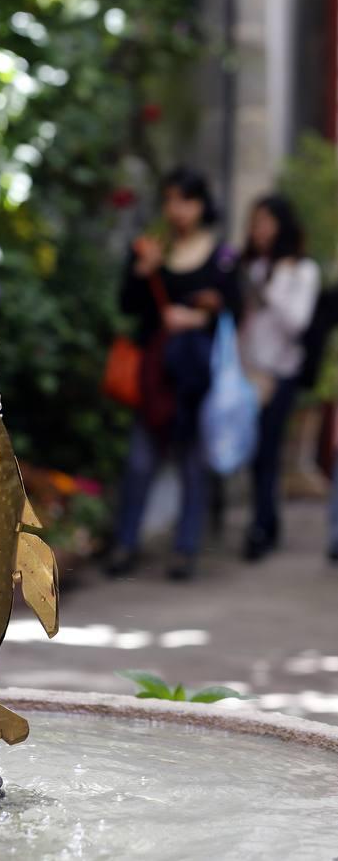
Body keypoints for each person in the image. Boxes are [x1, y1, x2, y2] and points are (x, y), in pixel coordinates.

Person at [108, 167, 241, 581]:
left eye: (184, 200)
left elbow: (236, 309)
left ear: (201, 205)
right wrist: (143, 271)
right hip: (155, 373)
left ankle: (185, 550)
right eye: (170, 200)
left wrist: (198, 318)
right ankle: (125, 543)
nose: (177, 210)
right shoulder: (153, 247)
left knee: (191, 462)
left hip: (195, 377)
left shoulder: (221, 255)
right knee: (140, 461)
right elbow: (128, 305)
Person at [239, 195, 321, 561]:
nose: (259, 231)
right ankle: (266, 522)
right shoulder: (249, 265)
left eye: (266, 223)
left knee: (268, 451)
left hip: (282, 373)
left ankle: (261, 527)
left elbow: (297, 323)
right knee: (254, 453)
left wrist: (271, 284)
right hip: (246, 372)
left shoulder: (302, 271)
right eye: (255, 223)